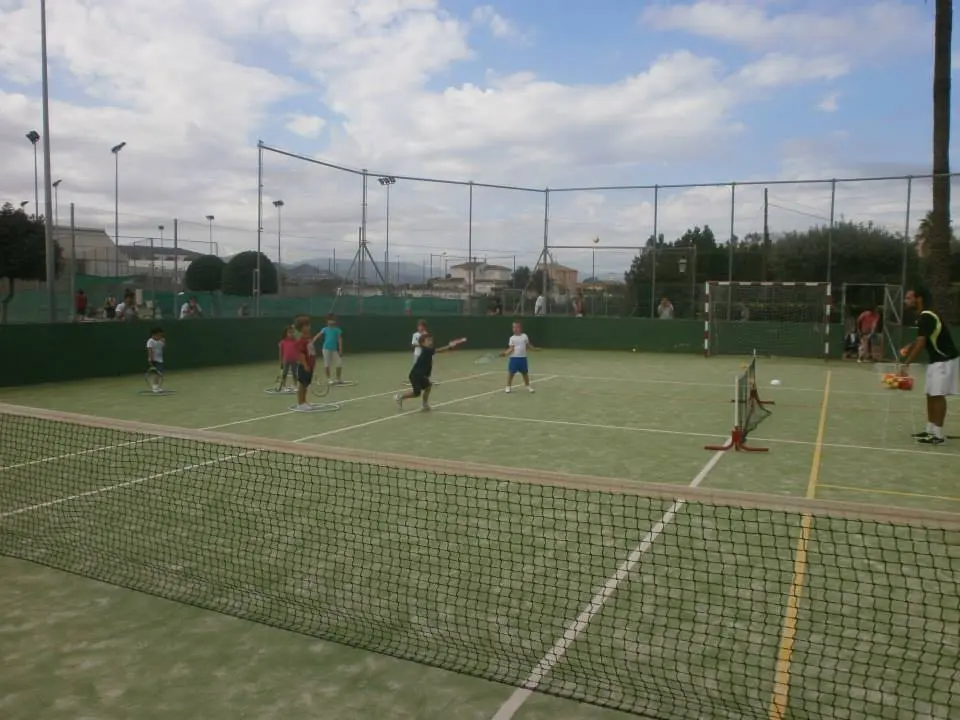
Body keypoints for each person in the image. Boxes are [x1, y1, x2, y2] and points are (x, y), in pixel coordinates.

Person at [900, 287, 959, 445]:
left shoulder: (926, 316)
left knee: (938, 395)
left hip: (945, 359)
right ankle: (930, 430)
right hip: (936, 360)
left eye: (908, 298)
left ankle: (938, 436)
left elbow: (921, 342)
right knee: (930, 394)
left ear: (918, 299)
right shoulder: (925, 316)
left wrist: (906, 365)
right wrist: (910, 346)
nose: (906, 301)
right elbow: (924, 338)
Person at [395, 333, 459, 411]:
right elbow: (438, 350)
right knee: (417, 393)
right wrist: (449, 346)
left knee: (428, 387)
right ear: (422, 343)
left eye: (431, 340)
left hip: (420, 375)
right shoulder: (426, 350)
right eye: (428, 340)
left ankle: (424, 405)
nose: (430, 342)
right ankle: (400, 397)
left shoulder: (427, 350)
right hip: (415, 375)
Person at [502, 321, 537, 394]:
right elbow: (511, 348)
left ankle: (528, 386)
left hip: (523, 358)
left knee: (525, 373)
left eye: (516, 327)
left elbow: (528, 345)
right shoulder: (512, 338)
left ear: (520, 328)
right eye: (513, 327)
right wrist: (505, 353)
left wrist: (535, 349)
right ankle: (508, 387)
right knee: (511, 373)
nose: (515, 329)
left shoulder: (524, 336)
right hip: (514, 359)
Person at [293, 315, 316, 411]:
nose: (309, 327)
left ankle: (304, 401)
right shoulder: (301, 341)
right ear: (301, 328)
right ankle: (300, 403)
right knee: (302, 385)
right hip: (304, 366)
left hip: (310, 365)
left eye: (308, 325)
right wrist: (305, 365)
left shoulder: (309, 339)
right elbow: (301, 355)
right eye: (306, 326)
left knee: (306, 384)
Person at [316, 314, 344, 385]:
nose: (331, 321)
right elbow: (318, 335)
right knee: (327, 364)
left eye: (333, 320)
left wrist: (340, 349)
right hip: (326, 349)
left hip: (334, 350)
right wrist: (312, 341)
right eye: (330, 320)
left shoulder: (337, 330)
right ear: (327, 321)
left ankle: (338, 378)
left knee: (339, 363)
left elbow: (339, 339)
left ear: (335, 321)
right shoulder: (325, 329)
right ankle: (329, 379)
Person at [404, 319, 427, 385]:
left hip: (424, 354)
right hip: (416, 354)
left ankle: (425, 380)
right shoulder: (415, 335)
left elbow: (427, 345)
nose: (420, 328)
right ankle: (413, 380)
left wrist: (423, 345)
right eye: (419, 326)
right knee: (416, 367)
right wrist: (420, 345)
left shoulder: (426, 335)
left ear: (424, 327)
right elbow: (413, 344)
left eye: (422, 326)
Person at [278, 325, 299, 393]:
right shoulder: (282, 342)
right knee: (284, 373)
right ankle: (284, 386)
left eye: (292, 332)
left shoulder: (295, 341)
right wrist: (281, 362)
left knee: (295, 373)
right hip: (286, 360)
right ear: (286, 333)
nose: (291, 334)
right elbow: (281, 353)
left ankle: (295, 386)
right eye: (289, 332)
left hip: (294, 360)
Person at [146, 327, 165, 394]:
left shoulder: (161, 341)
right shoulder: (150, 341)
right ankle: (155, 387)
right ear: (154, 335)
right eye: (159, 335)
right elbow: (149, 350)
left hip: (160, 359)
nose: (160, 336)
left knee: (159, 373)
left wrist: (163, 342)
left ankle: (156, 387)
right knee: (157, 373)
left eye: (161, 335)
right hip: (154, 360)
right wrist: (150, 359)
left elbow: (162, 347)